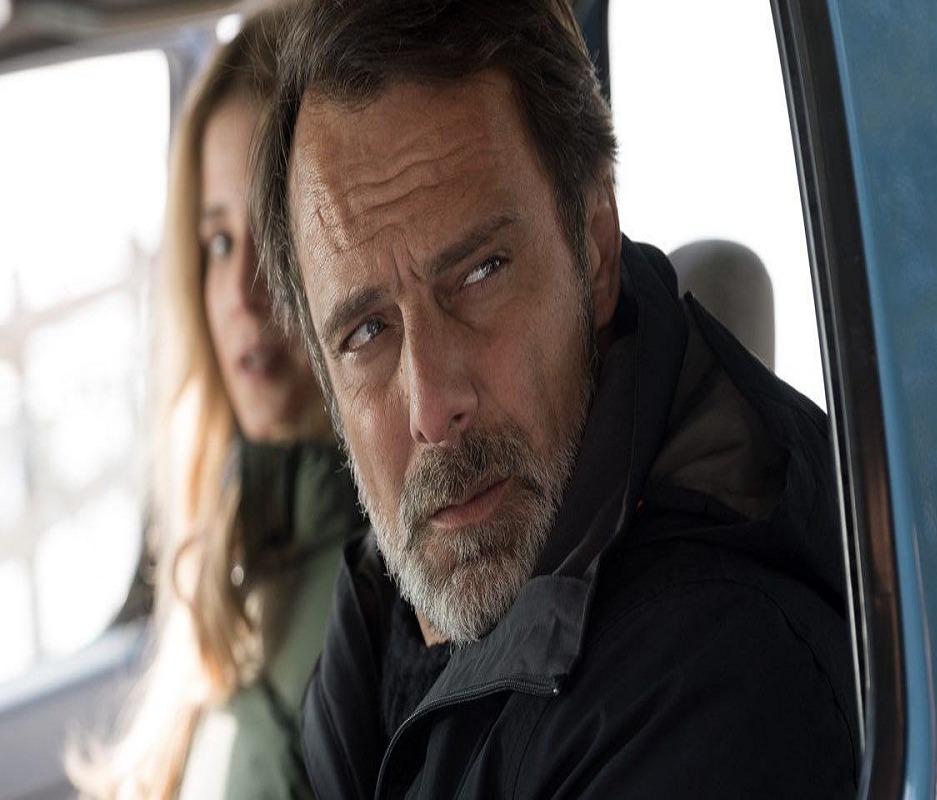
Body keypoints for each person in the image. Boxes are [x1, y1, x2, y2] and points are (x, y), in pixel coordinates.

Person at [249, 0, 859, 796]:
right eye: (367, 331)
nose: (433, 407)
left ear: (595, 244)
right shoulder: (375, 626)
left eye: (480, 273)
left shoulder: (716, 679)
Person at [68, 8, 364, 799]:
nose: (241, 292)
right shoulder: (242, 545)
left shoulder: (374, 596)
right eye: (219, 242)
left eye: (276, 232)